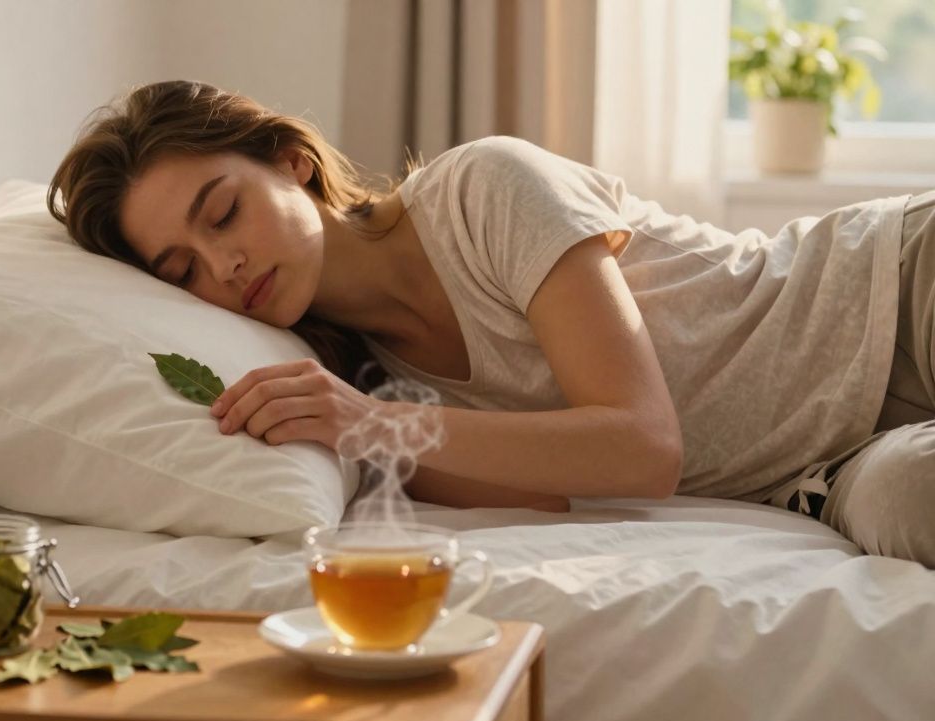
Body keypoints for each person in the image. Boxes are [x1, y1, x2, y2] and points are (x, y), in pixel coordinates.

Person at [48, 79, 935, 567]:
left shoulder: (485, 188)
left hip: (885, 292)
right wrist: (360, 434)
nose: (224, 266)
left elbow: (642, 448)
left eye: (222, 213)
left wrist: (373, 426)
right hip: (829, 471)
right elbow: (553, 500)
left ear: (293, 165)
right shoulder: (360, 385)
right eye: (183, 271)